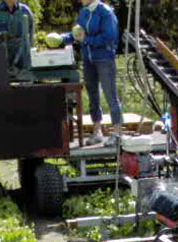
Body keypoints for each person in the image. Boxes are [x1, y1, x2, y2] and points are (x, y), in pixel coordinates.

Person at [48, 0, 123, 146]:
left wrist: (86, 40)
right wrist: (61, 39)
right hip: (88, 60)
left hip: (104, 59)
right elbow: (77, 34)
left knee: (111, 95)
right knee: (92, 95)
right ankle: (97, 133)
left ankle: (117, 134)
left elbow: (110, 38)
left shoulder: (106, 12)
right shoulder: (84, 12)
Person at [0, 0, 34, 75]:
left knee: (25, 84)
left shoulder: (25, 11)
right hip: (2, 60)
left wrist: (30, 53)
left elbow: (31, 35)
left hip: (22, 59)